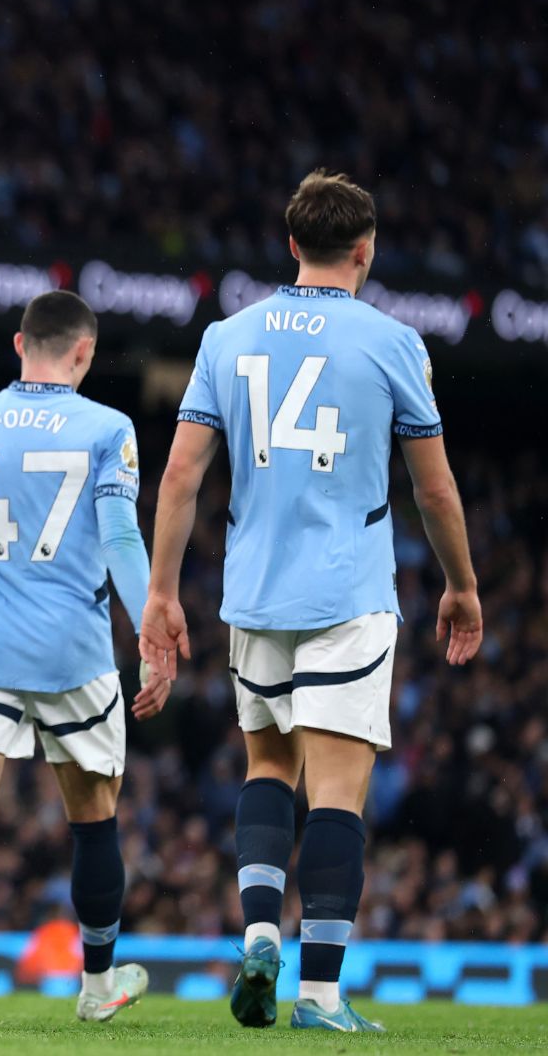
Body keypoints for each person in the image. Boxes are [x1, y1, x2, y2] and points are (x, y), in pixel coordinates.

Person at [140, 170, 482, 1033]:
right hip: (349, 592)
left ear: (291, 245)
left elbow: (181, 474)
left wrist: (161, 592)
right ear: (364, 250)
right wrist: (463, 584)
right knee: (337, 793)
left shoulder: (227, 337)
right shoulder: (394, 343)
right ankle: (320, 994)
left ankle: (260, 934)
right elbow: (434, 492)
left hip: (253, 593)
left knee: (266, 768)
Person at [0, 290, 153, 1024]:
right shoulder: (109, 428)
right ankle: (97, 986)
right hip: (73, 656)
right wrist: (151, 631)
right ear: (85, 352)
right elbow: (118, 541)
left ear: (19, 345)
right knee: (94, 820)